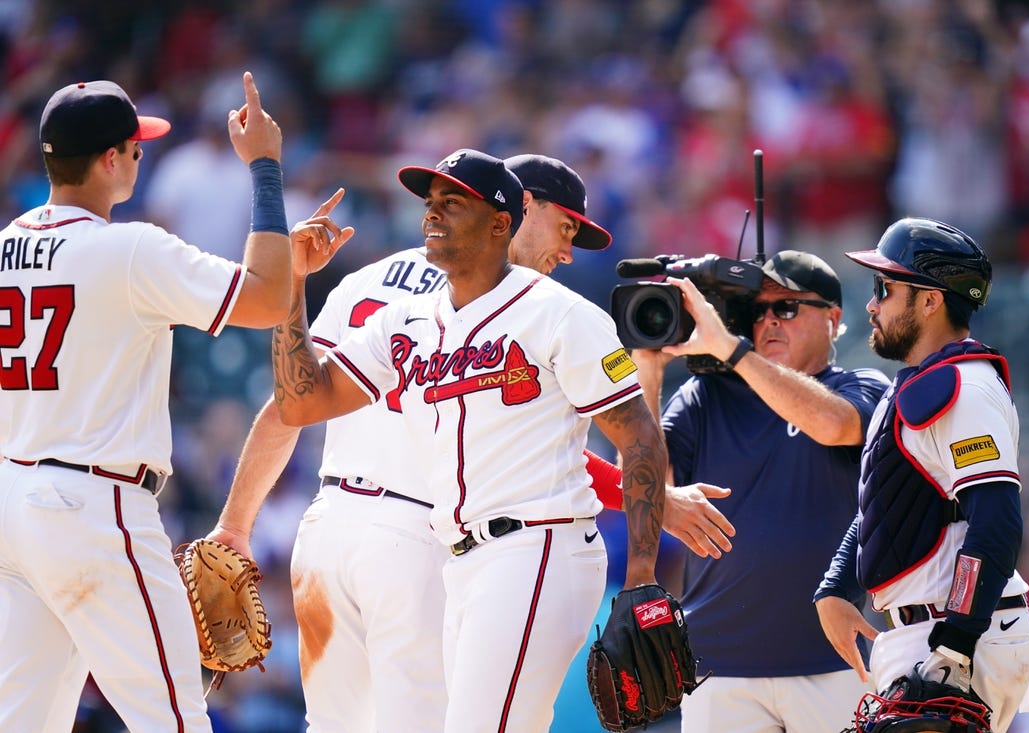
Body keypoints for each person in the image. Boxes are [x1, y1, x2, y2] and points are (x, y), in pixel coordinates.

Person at [207, 151, 734, 731]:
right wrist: (291, 283)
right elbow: (302, 401)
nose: (566, 252)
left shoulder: (549, 312)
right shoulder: (419, 315)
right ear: (517, 212)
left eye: (449, 204)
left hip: (518, 543)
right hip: (437, 548)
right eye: (565, 229)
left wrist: (641, 577)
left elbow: (622, 436)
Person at [0, 72, 291, 732]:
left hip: (13, 504)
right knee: (175, 719)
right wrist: (267, 166)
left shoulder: (4, 244)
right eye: (135, 147)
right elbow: (269, 296)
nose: (140, 155)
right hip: (93, 508)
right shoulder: (129, 247)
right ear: (110, 159)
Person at [630, 250, 890, 731]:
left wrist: (731, 350)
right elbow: (649, 490)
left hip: (835, 659)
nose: (769, 321)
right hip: (717, 664)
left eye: (786, 308)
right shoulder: (705, 395)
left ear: (833, 318)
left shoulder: (863, 385)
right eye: (757, 311)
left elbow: (834, 425)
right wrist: (648, 369)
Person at [814, 217, 1029, 733]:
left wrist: (957, 640)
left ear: (929, 301)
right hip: (928, 634)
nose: (872, 304)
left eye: (885, 288)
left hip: (955, 636)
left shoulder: (964, 385)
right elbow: (885, 509)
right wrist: (835, 586)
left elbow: (997, 523)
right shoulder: (916, 385)